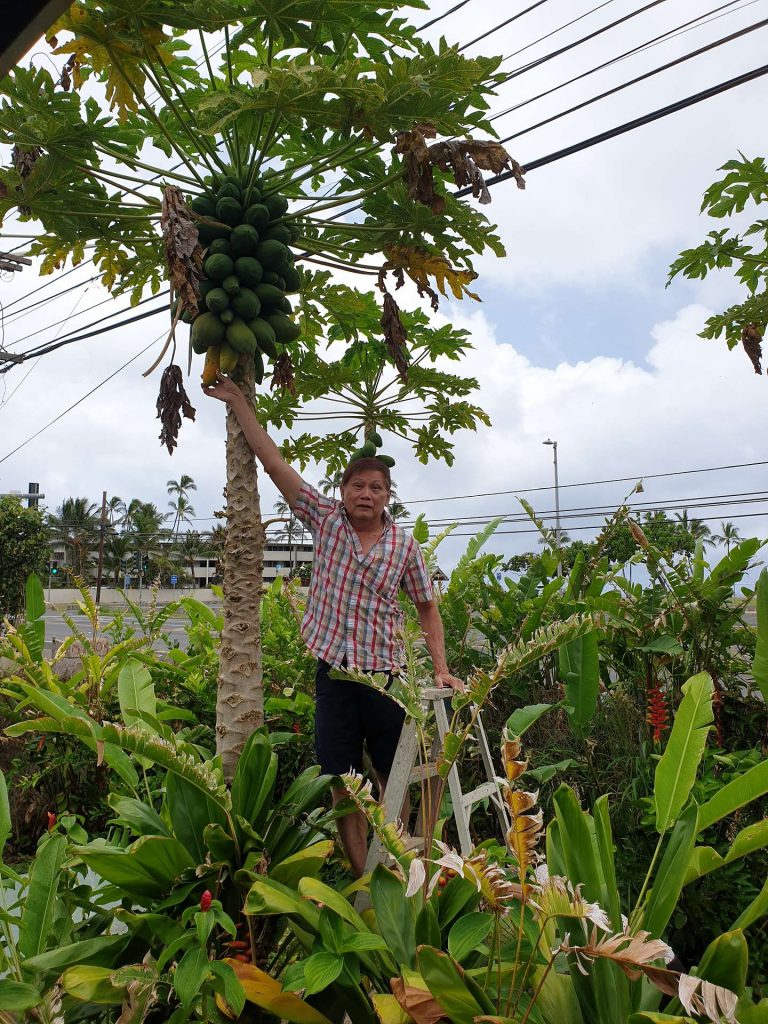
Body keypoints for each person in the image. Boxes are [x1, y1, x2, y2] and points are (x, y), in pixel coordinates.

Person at [203, 373, 464, 875]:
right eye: (358, 485)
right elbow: (273, 463)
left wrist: (441, 667)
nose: (366, 494)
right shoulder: (324, 519)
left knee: (395, 775)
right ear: (342, 490)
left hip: (385, 679)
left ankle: (397, 868)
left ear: (388, 497)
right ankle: (363, 873)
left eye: (377, 488)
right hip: (336, 678)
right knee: (342, 781)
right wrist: (239, 402)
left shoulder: (404, 548)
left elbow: (428, 607)